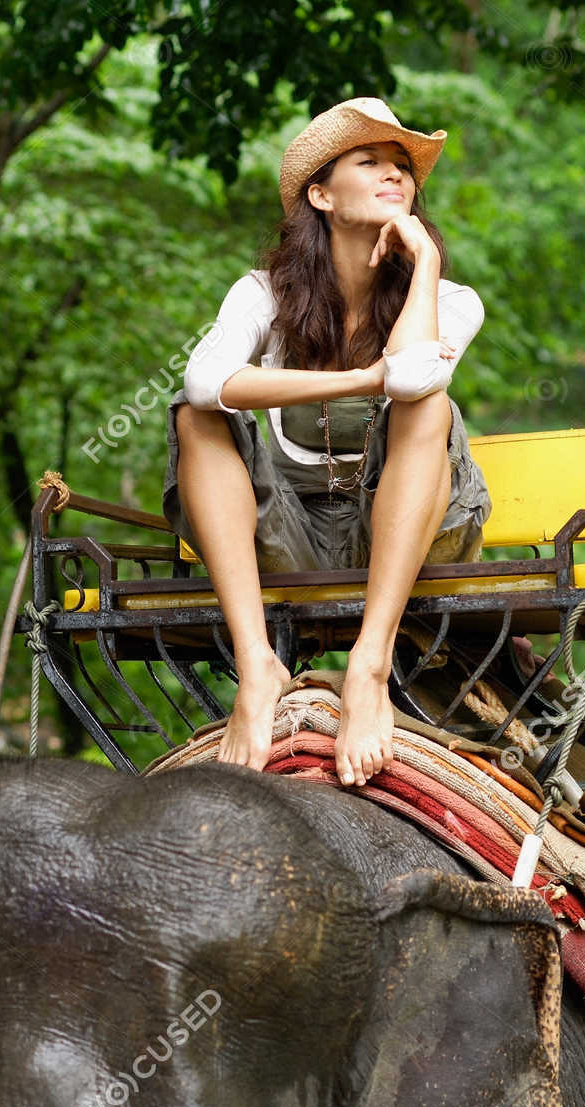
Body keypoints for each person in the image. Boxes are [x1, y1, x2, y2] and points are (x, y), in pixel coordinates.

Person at [163, 95, 492, 791]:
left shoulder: (451, 299)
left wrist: (424, 261)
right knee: (196, 418)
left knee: (430, 405)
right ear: (320, 194)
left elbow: (412, 380)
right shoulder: (263, 293)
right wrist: (360, 378)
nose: (394, 174)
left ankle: (368, 667)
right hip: (289, 536)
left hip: (411, 538)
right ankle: (257, 667)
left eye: (402, 165)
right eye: (368, 161)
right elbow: (203, 382)